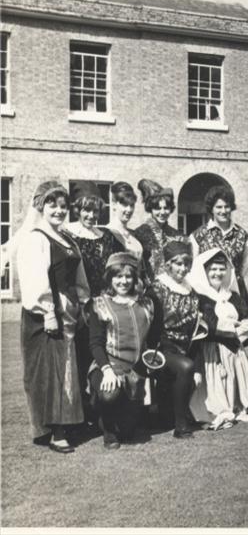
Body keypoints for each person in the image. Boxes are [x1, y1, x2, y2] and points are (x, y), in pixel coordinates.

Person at [16, 181, 90, 453]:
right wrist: (47, 312)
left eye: (62, 206)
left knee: (69, 369)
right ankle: (55, 432)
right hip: (46, 316)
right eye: (52, 205)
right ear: (41, 206)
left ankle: (69, 424)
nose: (59, 211)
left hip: (68, 312)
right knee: (51, 372)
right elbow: (35, 281)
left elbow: (79, 277)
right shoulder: (36, 238)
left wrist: (83, 302)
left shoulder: (67, 239)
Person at [188, 248, 248, 430]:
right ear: (205, 271)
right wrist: (232, 326)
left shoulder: (233, 296)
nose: (218, 273)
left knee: (239, 384)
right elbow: (209, 325)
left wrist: (238, 329)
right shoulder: (199, 297)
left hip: (234, 350)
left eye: (221, 269)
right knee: (217, 386)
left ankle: (242, 404)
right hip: (211, 352)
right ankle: (220, 410)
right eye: (213, 269)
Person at [62, 181, 124, 422]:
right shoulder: (68, 234)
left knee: (104, 356)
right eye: (85, 210)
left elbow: (121, 264)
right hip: (80, 307)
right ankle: (81, 414)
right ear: (77, 209)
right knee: (80, 358)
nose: (90, 215)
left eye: (95, 210)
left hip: (107, 307)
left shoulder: (107, 236)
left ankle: (104, 409)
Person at [85, 252, 154, 449]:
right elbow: (95, 344)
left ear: (135, 278)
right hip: (108, 366)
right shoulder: (99, 303)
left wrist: (152, 362)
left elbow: (155, 338)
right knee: (109, 394)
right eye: (118, 276)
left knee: (129, 432)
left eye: (128, 276)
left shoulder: (147, 304)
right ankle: (107, 428)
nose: (123, 281)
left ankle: (114, 418)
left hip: (135, 369)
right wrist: (106, 370)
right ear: (110, 278)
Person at [148, 241, 202, 439]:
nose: (182, 268)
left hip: (184, 349)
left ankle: (174, 414)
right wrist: (171, 350)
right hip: (160, 348)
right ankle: (181, 425)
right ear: (168, 264)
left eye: (186, 264)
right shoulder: (157, 288)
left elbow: (196, 328)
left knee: (189, 367)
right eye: (178, 264)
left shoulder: (191, 291)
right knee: (185, 367)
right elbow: (153, 327)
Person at [189, 185, 248, 303]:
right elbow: (193, 270)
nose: (223, 211)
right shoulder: (198, 236)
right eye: (218, 207)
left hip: (235, 296)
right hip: (206, 297)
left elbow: (244, 269)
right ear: (211, 209)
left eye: (226, 207)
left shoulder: (242, 236)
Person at [134, 179, 186, 279]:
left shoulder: (177, 235)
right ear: (151, 209)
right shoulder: (139, 234)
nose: (162, 212)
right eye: (157, 208)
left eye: (166, 208)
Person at [103, 182, 149, 287]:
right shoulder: (107, 235)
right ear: (114, 204)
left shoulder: (134, 235)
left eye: (131, 205)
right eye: (124, 204)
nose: (128, 210)